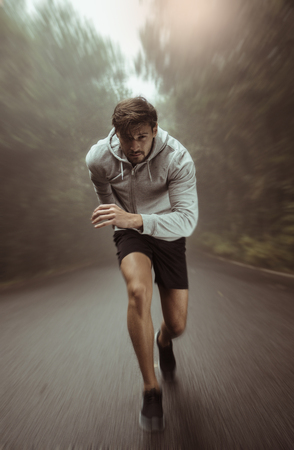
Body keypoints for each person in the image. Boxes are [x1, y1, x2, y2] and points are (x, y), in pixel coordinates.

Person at [86, 97, 198, 432]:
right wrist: (118, 218)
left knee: (177, 324)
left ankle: (164, 341)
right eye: (126, 137)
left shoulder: (177, 158)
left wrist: (135, 217)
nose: (134, 146)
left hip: (168, 230)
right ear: (116, 132)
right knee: (137, 291)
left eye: (142, 137)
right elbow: (106, 196)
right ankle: (151, 389)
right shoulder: (98, 158)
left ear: (154, 129)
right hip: (130, 232)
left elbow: (187, 220)